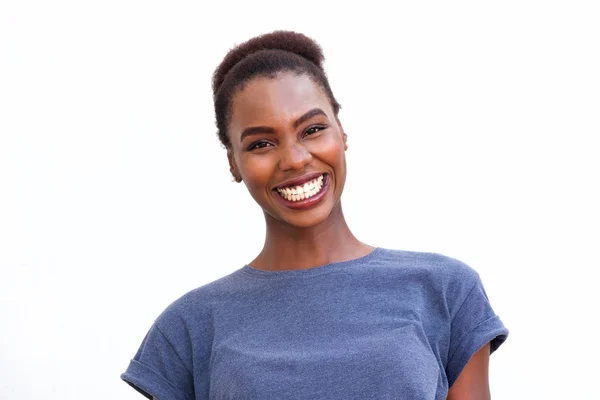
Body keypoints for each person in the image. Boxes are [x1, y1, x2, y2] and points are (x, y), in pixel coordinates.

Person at [120, 30, 508, 400]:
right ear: (233, 163)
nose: (294, 159)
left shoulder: (445, 290)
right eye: (261, 143)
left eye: (312, 129)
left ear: (341, 132)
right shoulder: (189, 326)